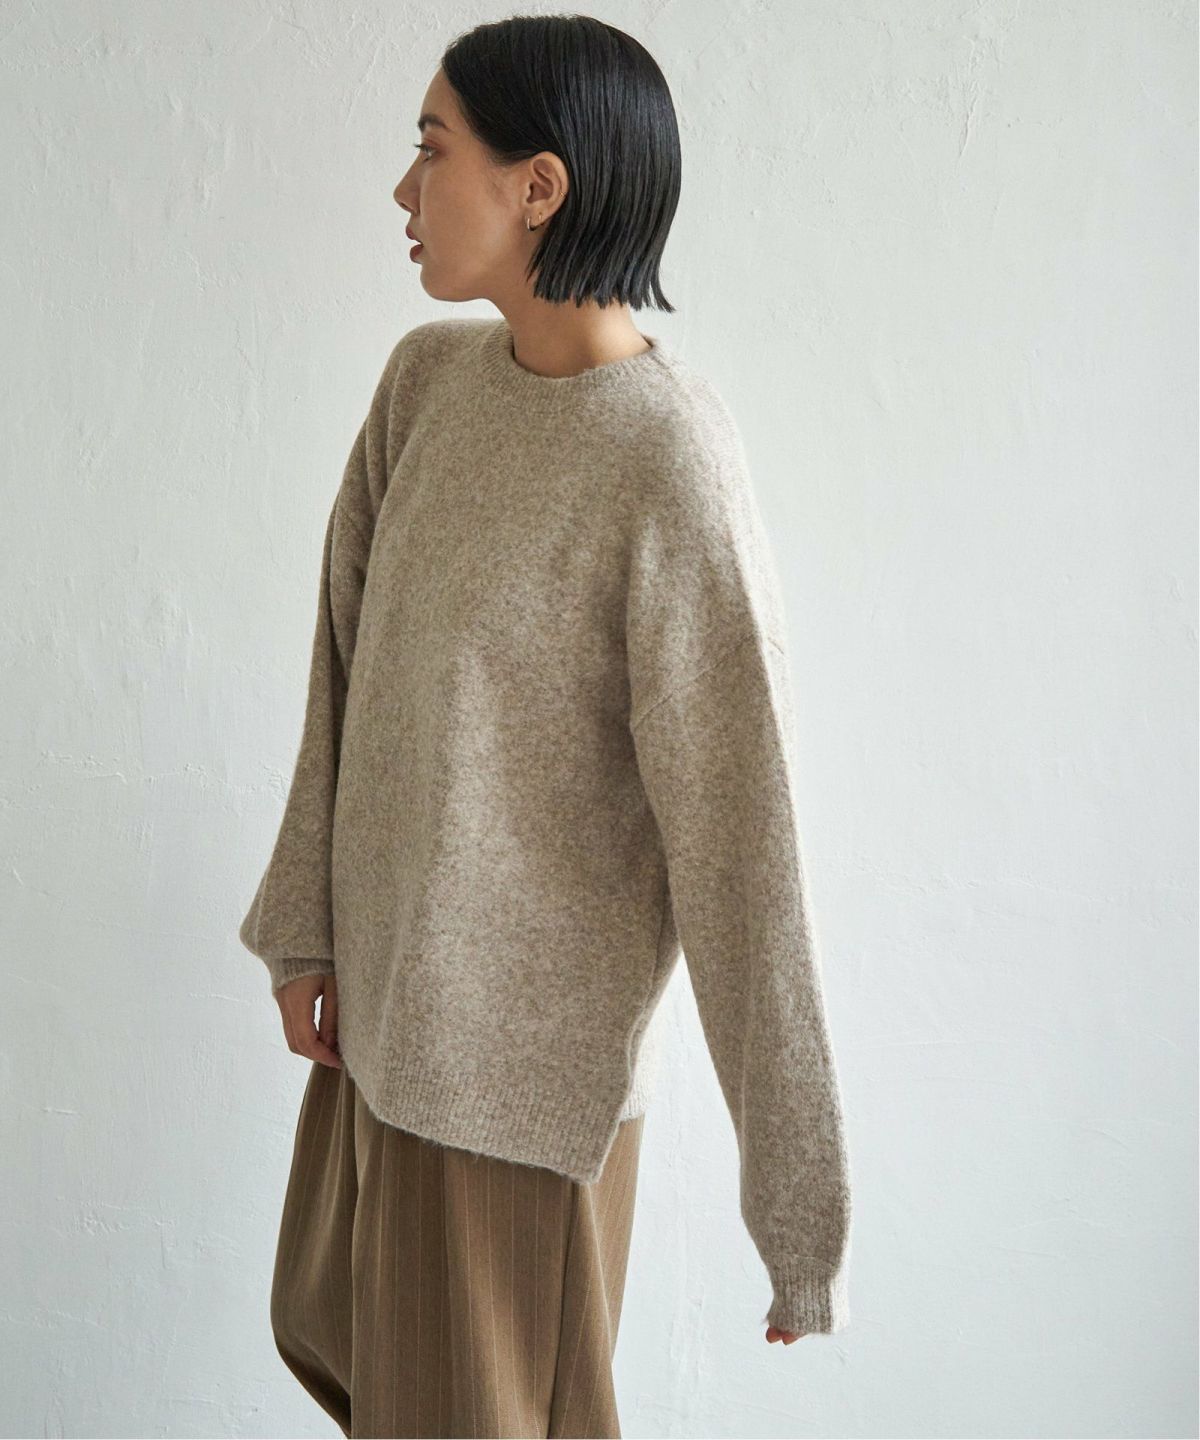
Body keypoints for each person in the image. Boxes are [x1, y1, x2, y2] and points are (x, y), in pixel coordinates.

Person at [239, 15, 853, 1439]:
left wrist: (798, 1213)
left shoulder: (665, 461)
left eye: (432, 149)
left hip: (517, 1101)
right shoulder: (424, 388)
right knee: (363, 1380)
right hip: (381, 1041)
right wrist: (306, 927)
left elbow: (742, 844)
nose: (404, 189)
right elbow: (341, 672)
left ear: (539, 187)